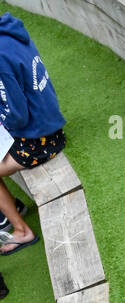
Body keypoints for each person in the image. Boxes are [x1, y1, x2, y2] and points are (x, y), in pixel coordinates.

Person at [0, 12, 66, 255]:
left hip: (39, 140)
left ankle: (21, 230)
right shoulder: (9, 30)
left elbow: (17, 115)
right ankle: (12, 206)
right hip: (49, 124)